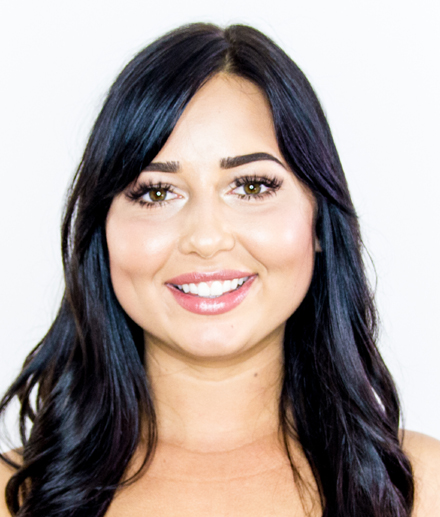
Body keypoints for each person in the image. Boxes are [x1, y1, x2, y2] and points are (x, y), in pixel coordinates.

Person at [0, 21, 439, 517]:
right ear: (101, 231)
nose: (206, 238)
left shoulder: (422, 489)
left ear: (319, 221)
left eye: (251, 186)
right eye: (156, 192)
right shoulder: (13, 497)